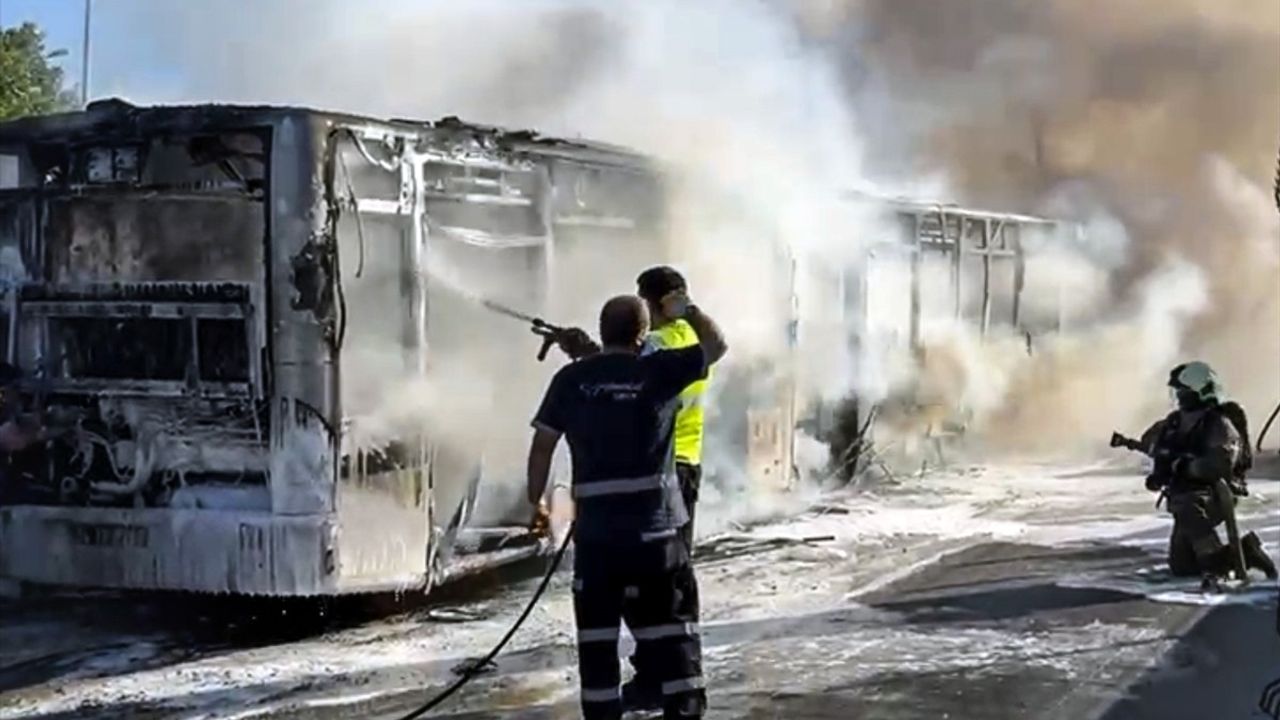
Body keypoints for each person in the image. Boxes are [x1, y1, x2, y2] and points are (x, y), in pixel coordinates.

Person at [526, 291, 726, 720]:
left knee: (597, 645)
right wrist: (685, 310)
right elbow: (716, 346)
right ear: (643, 334)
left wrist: (537, 505)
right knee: (674, 635)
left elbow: (542, 446)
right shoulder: (660, 371)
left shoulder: (571, 381)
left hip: (598, 544)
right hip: (657, 540)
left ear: (601, 332)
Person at [1139, 361, 1277, 583]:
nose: (1179, 396)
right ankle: (1247, 552)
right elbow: (1151, 440)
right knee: (1183, 567)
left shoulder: (1218, 423)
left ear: (1200, 391)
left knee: (1188, 506)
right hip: (1184, 495)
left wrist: (1185, 466)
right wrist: (1162, 460)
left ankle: (1216, 567)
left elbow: (1219, 465)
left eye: (1184, 391)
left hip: (1214, 494)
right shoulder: (1176, 421)